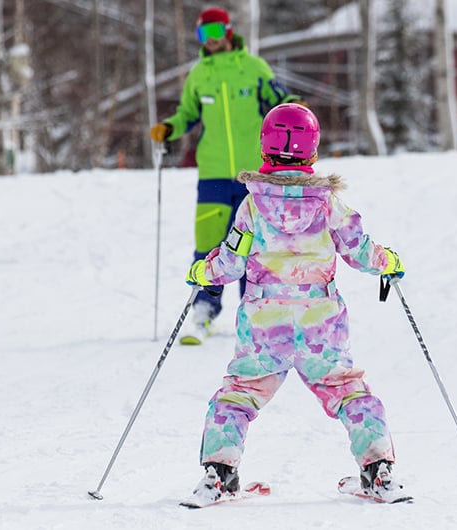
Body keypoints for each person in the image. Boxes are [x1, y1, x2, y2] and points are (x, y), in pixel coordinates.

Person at [182, 103, 410, 506]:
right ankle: (378, 471)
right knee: (348, 391)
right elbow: (359, 250)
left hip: (264, 324)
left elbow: (232, 262)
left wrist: (204, 272)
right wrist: (387, 261)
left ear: (264, 147)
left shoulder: (252, 205)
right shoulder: (327, 203)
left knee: (239, 393)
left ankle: (219, 473)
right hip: (319, 323)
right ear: (313, 152)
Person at [150, 6, 300, 344]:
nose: (211, 41)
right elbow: (187, 114)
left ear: (228, 32)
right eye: (204, 35)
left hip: (256, 175)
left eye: (216, 33)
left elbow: (278, 102)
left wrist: (296, 108)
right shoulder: (199, 74)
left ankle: (256, 314)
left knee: (255, 246)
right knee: (209, 244)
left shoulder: (252, 68)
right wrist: (168, 128)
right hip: (214, 173)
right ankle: (203, 312)